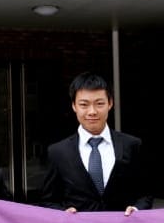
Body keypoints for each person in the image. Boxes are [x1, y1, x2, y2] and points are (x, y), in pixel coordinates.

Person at [39, 72, 153, 215]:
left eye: (99, 104)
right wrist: (62, 212)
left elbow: (145, 194)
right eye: (84, 105)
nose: (92, 112)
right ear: (74, 106)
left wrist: (137, 210)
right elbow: (48, 201)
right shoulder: (58, 152)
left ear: (110, 103)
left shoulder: (132, 145)